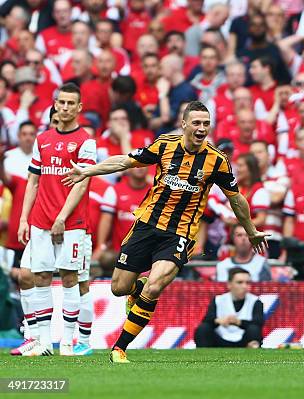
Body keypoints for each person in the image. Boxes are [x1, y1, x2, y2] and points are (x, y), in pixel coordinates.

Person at [62, 100, 268, 363]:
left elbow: (236, 199)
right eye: (196, 122)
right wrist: (88, 171)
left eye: (206, 123)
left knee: (155, 286)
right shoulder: (164, 145)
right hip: (147, 225)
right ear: (184, 124)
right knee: (118, 288)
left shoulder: (217, 161)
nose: (202, 128)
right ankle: (136, 288)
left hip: (180, 234)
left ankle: (119, 348)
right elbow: (125, 161)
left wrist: (251, 231)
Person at [18, 83, 97, 356]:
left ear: (79, 107)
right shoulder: (43, 139)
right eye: (60, 103)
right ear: (55, 104)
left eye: (69, 103)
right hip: (41, 220)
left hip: (71, 223)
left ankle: (67, 342)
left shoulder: (86, 141)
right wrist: (24, 219)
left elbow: (82, 184)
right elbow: (33, 181)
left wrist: (62, 217)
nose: (64, 108)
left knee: (69, 278)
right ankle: (41, 342)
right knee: (40, 277)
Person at [0, 121, 37, 356]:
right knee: (18, 286)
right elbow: (5, 179)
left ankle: (32, 330)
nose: (27, 138)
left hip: (38, 241)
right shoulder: (21, 181)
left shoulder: (44, 184)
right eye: (23, 134)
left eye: (31, 134)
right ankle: (25, 328)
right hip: (15, 242)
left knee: (29, 283)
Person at [194, 267, 264, 348]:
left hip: (243, 341)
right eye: (240, 282)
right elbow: (207, 320)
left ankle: (253, 352)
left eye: (248, 283)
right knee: (203, 328)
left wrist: (239, 322)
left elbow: (258, 323)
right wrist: (218, 321)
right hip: (220, 338)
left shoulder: (255, 301)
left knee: (254, 329)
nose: (245, 286)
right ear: (229, 284)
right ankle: (203, 355)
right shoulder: (218, 300)